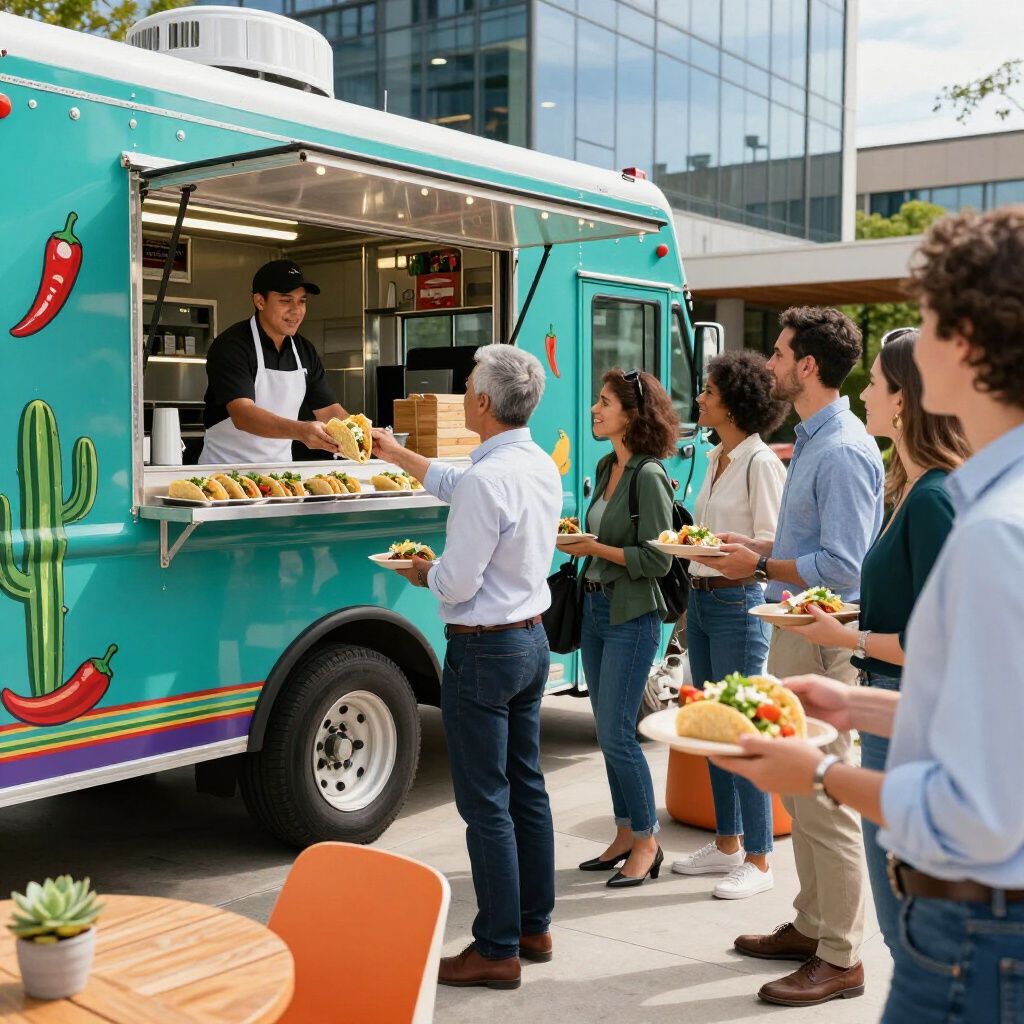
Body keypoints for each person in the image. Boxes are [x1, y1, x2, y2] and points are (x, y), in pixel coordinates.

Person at [710, 206, 1024, 1024]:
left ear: (963, 342)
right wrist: (854, 702)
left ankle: (836, 951)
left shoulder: (994, 526)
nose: (902, 354)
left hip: (972, 937)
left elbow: (984, 815)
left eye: (920, 326)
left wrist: (813, 771)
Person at [696, 307, 884, 1006]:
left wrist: (758, 563)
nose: (768, 364)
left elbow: (844, 565)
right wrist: (761, 563)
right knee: (803, 795)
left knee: (828, 799)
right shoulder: (813, 440)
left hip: (824, 641)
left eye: (778, 354)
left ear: (807, 366)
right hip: (796, 628)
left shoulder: (840, 449)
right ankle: (812, 926)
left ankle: (841, 957)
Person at [371, 345, 560, 991]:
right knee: (525, 787)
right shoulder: (533, 462)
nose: (462, 393)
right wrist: (396, 453)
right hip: (531, 641)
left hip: (483, 649)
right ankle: (533, 926)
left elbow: (455, 582)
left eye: (467, 386)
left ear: (482, 402)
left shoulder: (487, 479)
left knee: (486, 804)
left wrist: (421, 571)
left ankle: (496, 948)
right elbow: (460, 482)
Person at [774, 328, 968, 952]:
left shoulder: (934, 497)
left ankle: (838, 957)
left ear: (906, 399)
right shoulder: (911, 486)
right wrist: (848, 624)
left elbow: (942, 641)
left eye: (878, 383)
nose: (864, 393)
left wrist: (843, 635)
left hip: (911, 717)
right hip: (890, 707)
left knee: (907, 919)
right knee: (900, 914)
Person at [670, 351, 788, 900]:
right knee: (714, 727)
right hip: (703, 600)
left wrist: (716, 548)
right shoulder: (718, 456)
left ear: (734, 403)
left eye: (709, 391)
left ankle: (760, 861)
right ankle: (727, 845)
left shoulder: (761, 463)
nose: (700, 398)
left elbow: (772, 542)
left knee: (744, 733)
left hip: (739, 603)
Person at [561, 369, 676, 888]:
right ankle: (625, 832)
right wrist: (581, 545)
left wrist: (595, 548)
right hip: (594, 609)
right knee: (608, 735)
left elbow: (657, 559)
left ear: (631, 414)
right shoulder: (608, 464)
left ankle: (648, 841)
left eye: (604, 402)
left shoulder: (648, 475)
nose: (594, 410)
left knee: (617, 734)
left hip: (630, 616)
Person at [199, 259, 347, 464]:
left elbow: (329, 411)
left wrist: (362, 434)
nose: (296, 310)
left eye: (302, 301)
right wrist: (301, 431)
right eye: (286, 301)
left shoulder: (304, 350)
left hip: (279, 474)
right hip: (223, 473)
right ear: (260, 301)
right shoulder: (232, 346)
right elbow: (244, 415)